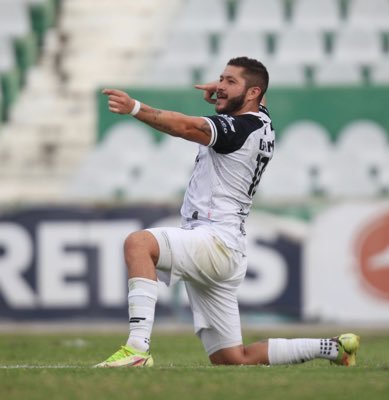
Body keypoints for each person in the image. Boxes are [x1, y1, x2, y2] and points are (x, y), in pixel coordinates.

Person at [95, 57, 360, 368]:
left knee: (139, 244)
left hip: (214, 240)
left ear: (251, 93)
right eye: (221, 78)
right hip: (227, 247)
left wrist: (135, 108)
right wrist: (227, 93)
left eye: (230, 81)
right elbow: (259, 92)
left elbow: (185, 126)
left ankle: (137, 349)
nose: (220, 85)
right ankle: (334, 348)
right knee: (232, 359)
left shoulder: (238, 129)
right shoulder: (261, 117)